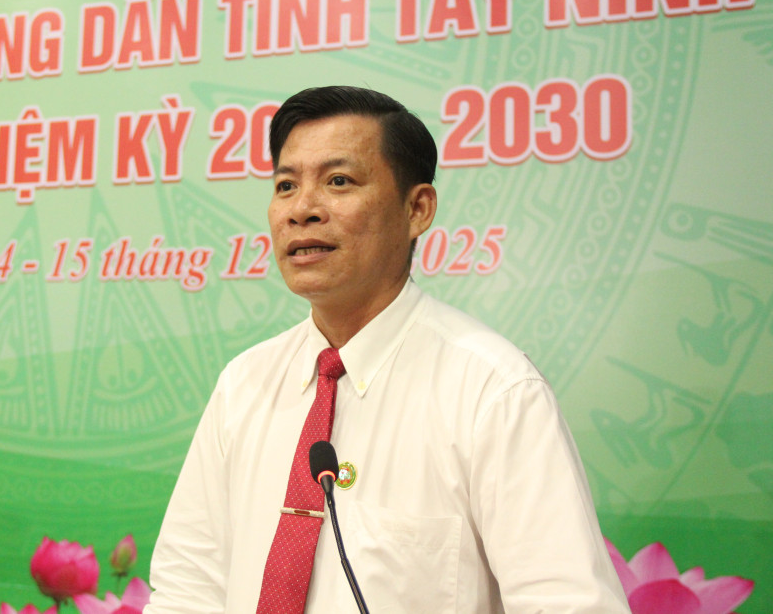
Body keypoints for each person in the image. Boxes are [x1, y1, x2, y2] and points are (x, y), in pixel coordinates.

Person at [144, 86, 630, 612]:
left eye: (338, 181)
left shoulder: (493, 391)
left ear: (417, 209)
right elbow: (187, 590)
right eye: (286, 185)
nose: (302, 209)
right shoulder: (244, 385)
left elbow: (566, 603)